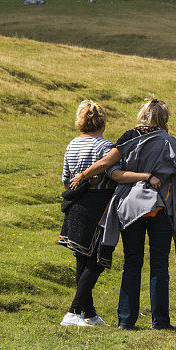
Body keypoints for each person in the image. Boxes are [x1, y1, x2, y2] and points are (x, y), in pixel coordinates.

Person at [72, 98, 176, 330]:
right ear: (164, 118)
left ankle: (126, 321)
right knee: (159, 265)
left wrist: (82, 175)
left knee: (132, 263)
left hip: (129, 207)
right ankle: (161, 322)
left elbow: (110, 168)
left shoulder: (127, 137)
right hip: (159, 207)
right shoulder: (170, 142)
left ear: (142, 114)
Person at [58, 100, 116, 327]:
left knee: (82, 258)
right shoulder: (106, 146)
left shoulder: (72, 144)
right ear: (102, 122)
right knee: (98, 259)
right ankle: (73, 312)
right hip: (98, 204)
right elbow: (110, 170)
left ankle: (89, 313)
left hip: (75, 204)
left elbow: (65, 179)